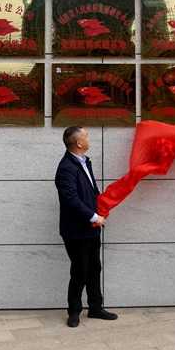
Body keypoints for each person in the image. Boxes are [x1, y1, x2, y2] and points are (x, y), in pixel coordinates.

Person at [55, 125, 118, 327]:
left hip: (91, 228)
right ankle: (74, 312)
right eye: (86, 135)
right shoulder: (66, 167)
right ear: (79, 142)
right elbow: (70, 199)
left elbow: (91, 192)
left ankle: (95, 308)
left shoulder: (84, 162)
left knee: (94, 268)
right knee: (80, 271)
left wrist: (101, 209)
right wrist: (94, 217)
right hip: (76, 230)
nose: (89, 138)